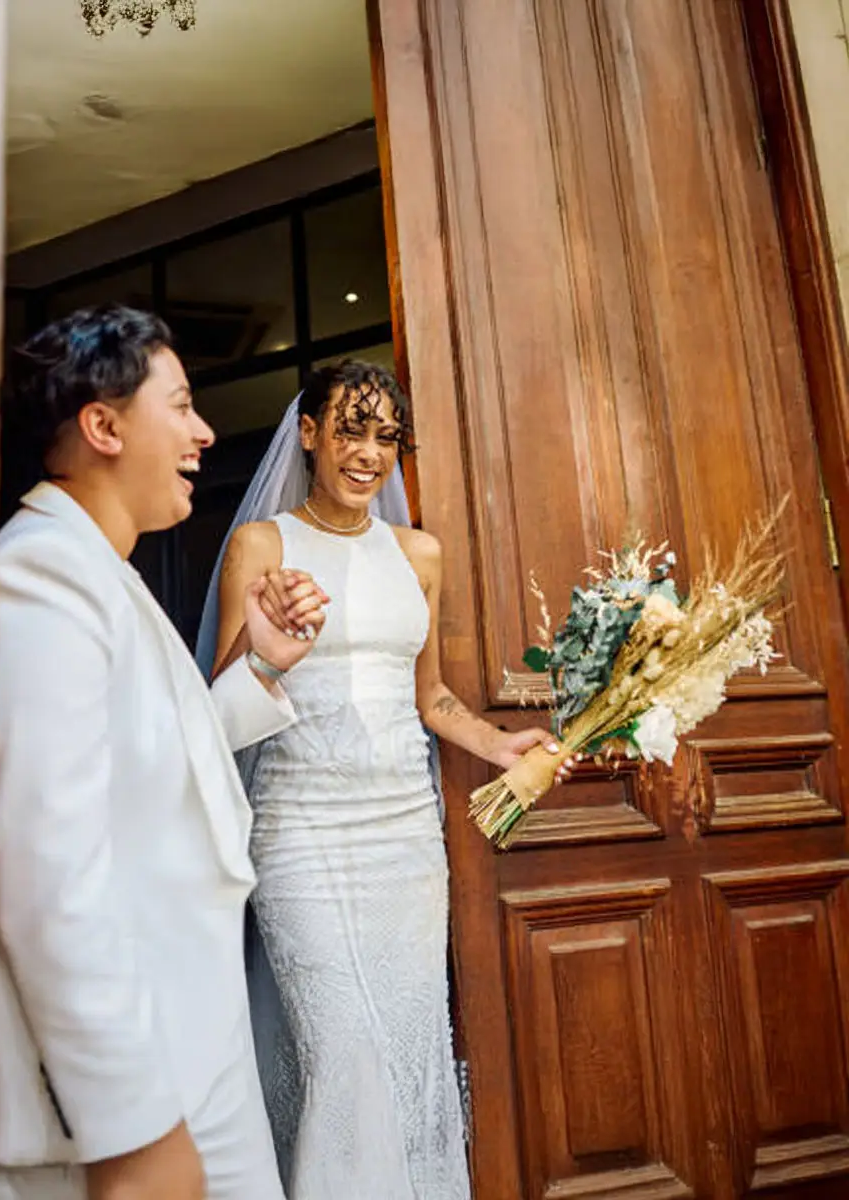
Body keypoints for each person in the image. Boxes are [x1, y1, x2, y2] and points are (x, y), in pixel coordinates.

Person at [197, 360, 573, 1198]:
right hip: (300, 831)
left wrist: (500, 744)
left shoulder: (420, 553)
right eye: (350, 430)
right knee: (343, 1049)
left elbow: (431, 695)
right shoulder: (264, 544)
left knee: (409, 1048)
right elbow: (217, 696)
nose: (368, 454)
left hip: (404, 838)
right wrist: (262, 640)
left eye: (385, 437)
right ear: (308, 433)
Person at [0, 304, 329, 1200]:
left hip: (193, 1027)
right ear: (103, 425)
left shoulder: (100, 568)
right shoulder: (41, 574)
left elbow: (151, 769)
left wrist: (257, 665)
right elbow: (42, 861)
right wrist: (131, 1124)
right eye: (180, 406)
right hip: (136, 1067)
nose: (204, 432)